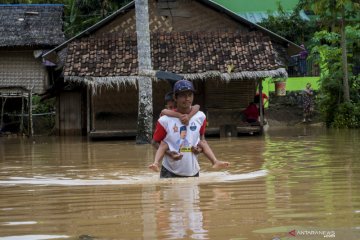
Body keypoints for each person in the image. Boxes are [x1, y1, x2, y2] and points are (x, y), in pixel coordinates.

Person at [150, 80, 228, 178]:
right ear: (175, 97)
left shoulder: (200, 117)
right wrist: (169, 153)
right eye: (183, 95)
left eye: (190, 95)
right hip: (170, 172)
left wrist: (199, 149)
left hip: (193, 171)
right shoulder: (164, 120)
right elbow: (154, 142)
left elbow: (201, 139)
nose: (187, 99)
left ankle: (215, 161)